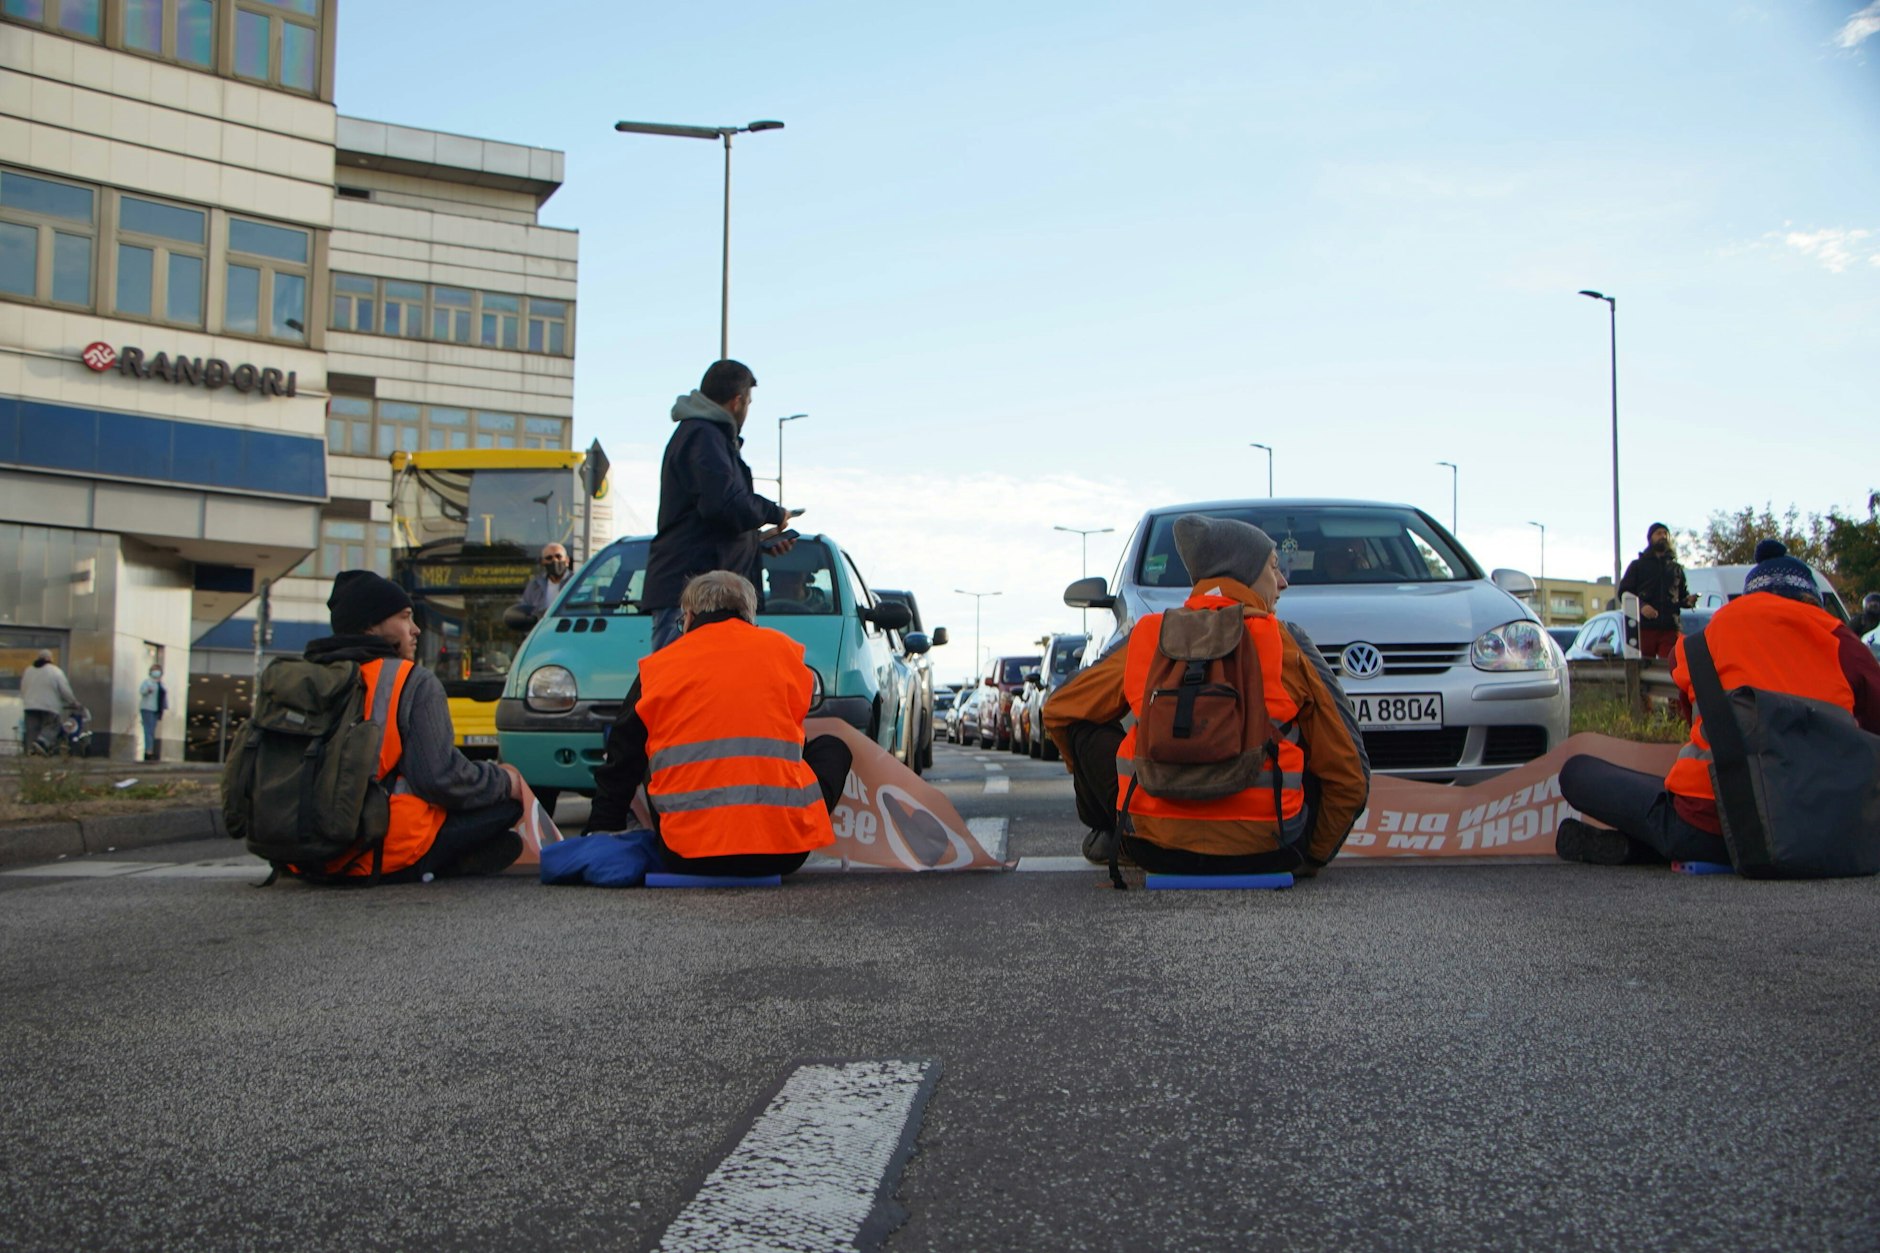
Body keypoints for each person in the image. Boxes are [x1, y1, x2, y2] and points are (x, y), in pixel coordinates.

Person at [1043, 514, 1370, 877]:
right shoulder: (1285, 642)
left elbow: (1058, 711)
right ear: (1244, 574)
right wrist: (1313, 854)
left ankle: (1109, 835)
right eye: (1274, 568)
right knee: (1316, 738)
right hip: (1270, 849)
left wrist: (1109, 805)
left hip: (1155, 849)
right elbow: (1351, 774)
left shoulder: (1148, 637)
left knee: (1085, 727)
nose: (1283, 582)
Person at [1556, 551, 1880, 867]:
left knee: (1578, 772)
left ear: (1749, 596)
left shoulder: (1705, 637)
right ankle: (1648, 849)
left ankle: (1650, 846)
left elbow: (1691, 716)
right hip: (1822, 831)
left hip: (1712, 826)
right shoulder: (1841, 640)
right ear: (1812, 600)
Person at [586, 570, 850, 877]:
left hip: (685, 855)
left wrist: (601, 828)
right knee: (832, 748)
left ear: (688, 616)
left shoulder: (658, 667)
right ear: (749, 614)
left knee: (648, 743)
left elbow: (622, 757)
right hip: (783, 855)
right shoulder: (787, 654)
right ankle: (787, 826)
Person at [302, 570, 529, 881]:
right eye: (405, 618)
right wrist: (505, 781)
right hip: (374, 847)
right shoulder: (410, 680)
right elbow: (440, 778)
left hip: (298, 850)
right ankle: (438, 862)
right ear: (371, 625)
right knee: (506, 807)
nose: (416, 629)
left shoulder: (302, 678)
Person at [642, 360, 801, 652]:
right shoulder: (703, 437)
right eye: (749, 402)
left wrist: (756, 544)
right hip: (692, 596)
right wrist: (775, 513)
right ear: (737, 401)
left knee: (700, 690)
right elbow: (725, 503)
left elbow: (711, 520)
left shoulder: (705, 437)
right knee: (676, 687)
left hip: (704, 593)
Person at [1619, 522, 1695, 660]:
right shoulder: (1638, 566)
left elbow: (1682, 595)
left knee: (1670, 667)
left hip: (1670, 628)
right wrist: (1641, 606)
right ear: (1650, 538)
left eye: (1665, 533)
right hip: (1644, 629)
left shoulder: (1676, 568)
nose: (1663, 536)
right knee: (1644, 668)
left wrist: (1689, 601)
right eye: (1659, 533)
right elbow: (1624, 592)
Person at [20, 650, 81, 755]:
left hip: (30, 706)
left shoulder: (28, 670)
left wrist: (26, 700)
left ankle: (31, 752)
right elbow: (64, 690)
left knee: (32, 730)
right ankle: (41, 743)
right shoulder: (55, 671)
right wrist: (73, 702)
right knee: (51, 726)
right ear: (50, 659)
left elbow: (23, 688)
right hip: (49, 706)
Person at [518, 543, 574, 621]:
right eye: (549, 558)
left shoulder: (578, 582)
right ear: (543, 562)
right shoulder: (535, 585)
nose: (554, 560)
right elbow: (524, 612)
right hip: (543, 631)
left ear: (567, 560)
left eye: (558, 556)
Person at [137, 663, 167, 762]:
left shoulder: (161, 684)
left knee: (152, 731)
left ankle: (149, 750)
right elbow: (142, 691)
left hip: (156, 709)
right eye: (154, 670)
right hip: (147, 708)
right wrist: (147, 690)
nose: (156, 672)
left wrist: (165, 707)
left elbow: (163, 696)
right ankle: (148, 752)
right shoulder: (147, 682)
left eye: (157, 670)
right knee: (148, 730)